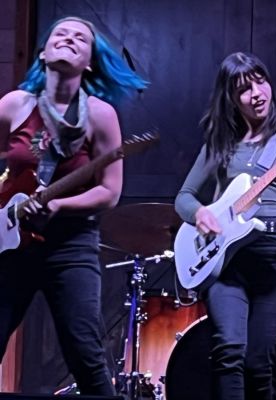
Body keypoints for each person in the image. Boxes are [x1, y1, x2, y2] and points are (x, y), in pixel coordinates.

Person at [0, 16, 147, 395]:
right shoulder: (14, 105)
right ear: (44, 53)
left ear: (90, 62)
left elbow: (110, 192)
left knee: (85, 352)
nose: (68, 39)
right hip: (12, 245)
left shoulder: (100, 116)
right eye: (60, 35)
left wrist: (61, 205)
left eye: (80, 38)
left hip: (70, 247)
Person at [174, 51, 276, 400]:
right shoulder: (221, 143)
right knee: (228, 352)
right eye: (244, 89)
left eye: (260, 82)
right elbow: (184, 196)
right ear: (231, 98)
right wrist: (200, 214)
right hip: (229, 262)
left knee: (259, 361)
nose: (256, 93)